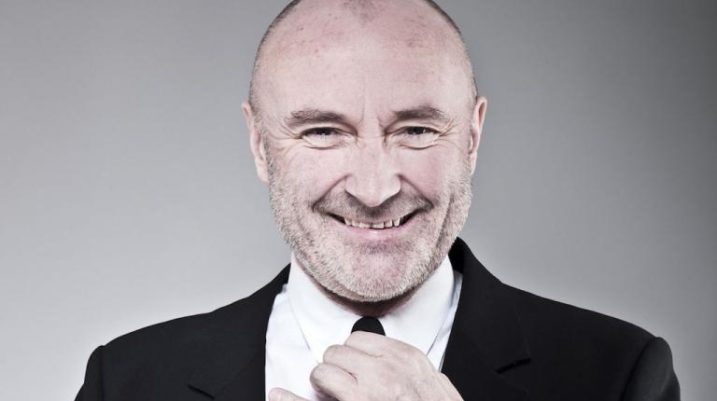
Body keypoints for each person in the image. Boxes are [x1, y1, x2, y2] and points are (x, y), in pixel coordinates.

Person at [75, 0, 680, 400]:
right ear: (260, 145)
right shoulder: (127, 382)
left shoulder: (619, 375)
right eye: (323, 132)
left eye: (415, 129)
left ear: (472, 136)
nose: (373, 189)